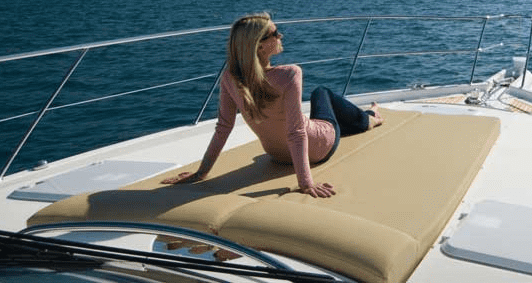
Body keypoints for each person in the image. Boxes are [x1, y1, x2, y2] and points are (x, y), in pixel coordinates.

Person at [162, 13, 382, 197]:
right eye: (275, 34)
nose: (280, 36)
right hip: (321, 148)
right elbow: (296, 132)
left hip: (276, 154)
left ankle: (365, 116)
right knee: (321, 93)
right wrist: (306, 183)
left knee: (324, 116)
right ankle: (371, 117)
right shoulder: (289, 74)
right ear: (259, 46)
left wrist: (201, 173)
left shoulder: (230, 77)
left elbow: (224, 127)